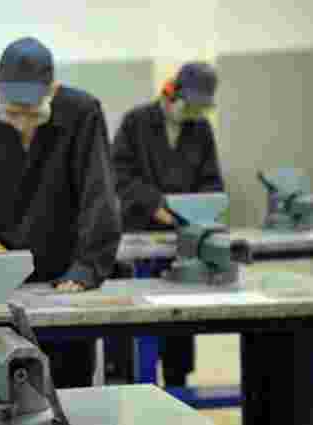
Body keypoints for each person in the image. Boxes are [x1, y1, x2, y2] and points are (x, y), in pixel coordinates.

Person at [0, 37, 122, 388]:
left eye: (32, 113)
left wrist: (86, 267)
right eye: (12, 113)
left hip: (64, 276)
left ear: (52, 90)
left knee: (70, 388)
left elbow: (98, 193)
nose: (23, 123)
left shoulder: (82, 113)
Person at [112, 62, 223, 386]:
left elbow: (212, 181)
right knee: (137, 325)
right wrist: (153, 205)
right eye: (190, 106)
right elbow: (119, 175)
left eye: (200, 109)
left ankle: (177, 382)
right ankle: (133, 381)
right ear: (172, 93)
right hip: (139, 235)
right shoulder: (136, 122)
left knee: (180, 323)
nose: (194, 114)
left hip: (184, 240)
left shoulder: (201, 129)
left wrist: (202, 211)